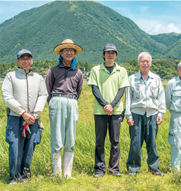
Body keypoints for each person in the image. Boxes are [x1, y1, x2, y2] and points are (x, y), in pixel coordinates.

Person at [2, 49, 48, 184]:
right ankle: (14, 177)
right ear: (17, 61)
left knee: (29, 148)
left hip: (33, 119)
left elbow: (43, 95)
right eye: (22, 58)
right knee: (15, 147)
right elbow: (6, 97)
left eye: (28, 58)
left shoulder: (38, 78)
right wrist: (23, 112)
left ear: (32, 61)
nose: (26, 61)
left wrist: (34, 114)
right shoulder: (11, 76)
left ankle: (25, 175)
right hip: (15, 117)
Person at [88, 43, 130, 178]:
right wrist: (105, 105)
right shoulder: (96, 70)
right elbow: (94, 89)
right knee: (100, 140)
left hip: (116, 110)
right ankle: (99, 168)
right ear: (103, 55)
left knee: (115, 141)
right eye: (108, 53)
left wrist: (112, 105)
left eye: (113, 53)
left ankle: (114, 168)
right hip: (100, 111)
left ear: (116, 55)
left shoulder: (122, 71)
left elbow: (121, 90)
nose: (110, 55)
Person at [45, 39, 83, 177]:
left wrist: (70, 101)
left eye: (72, 50)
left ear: (75, 53)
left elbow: (78, 91)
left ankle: (67, 173)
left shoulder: (78, 72)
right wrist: (55, 102)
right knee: (57, 138)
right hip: (57, 100)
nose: (69, 52)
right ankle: (57, 173)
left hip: (72, 102)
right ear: (60, 53)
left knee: (70, 138)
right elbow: (47, 90)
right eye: (66, 50)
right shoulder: (53, 70)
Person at [125, 52, 166, 176]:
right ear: (138, 63)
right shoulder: (132, 79)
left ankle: (154, 167)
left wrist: (161, 113)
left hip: (152, 114)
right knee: (135, 143)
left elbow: (161, 97)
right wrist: (128, 115)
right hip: (136, 114)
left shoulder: (156, 79)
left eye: (147, 61)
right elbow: (127, 98)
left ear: (151, 63)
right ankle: (133, 168)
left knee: (152, 143)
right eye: (142, 61)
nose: (145, 63)